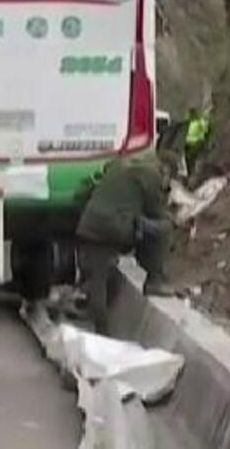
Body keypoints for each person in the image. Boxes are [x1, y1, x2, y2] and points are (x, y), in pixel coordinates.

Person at [74, 142, 185, 333]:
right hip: (113, 230)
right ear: (166, 170)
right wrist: (172, 212)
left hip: (89, 225)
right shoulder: (152, 175)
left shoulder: (123, 163)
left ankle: (98, 320)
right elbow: (156, 213)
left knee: (98, 277)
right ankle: (154, 280)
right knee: (165, 228)